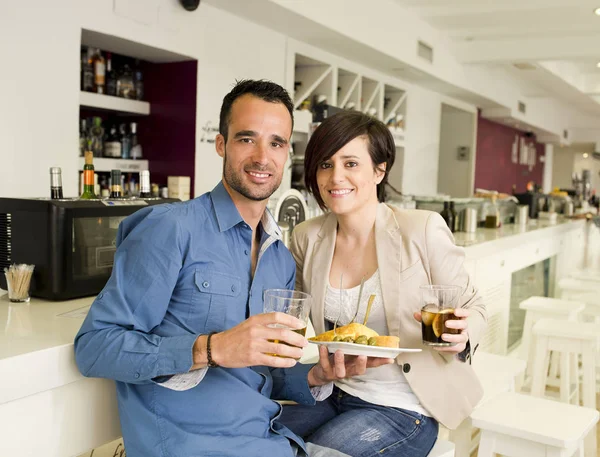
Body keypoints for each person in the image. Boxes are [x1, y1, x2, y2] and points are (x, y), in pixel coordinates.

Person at [74, 80, 391, 457]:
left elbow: (261, 373)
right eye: (246, 139)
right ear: (221, 143)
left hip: (267, 439)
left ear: (287, 153)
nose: (262, 156)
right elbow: (94, 348)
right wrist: (212, 348)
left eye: (276, 143)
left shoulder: (281, 259)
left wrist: (314, 375)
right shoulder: (170, 229)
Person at [279, 110, 487, 457]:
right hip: (333, 391)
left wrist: (461, 337)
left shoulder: (421, 229)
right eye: (325, 165)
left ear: (380, 170)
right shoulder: (307, 237)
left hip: (403, 406)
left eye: (351, 164)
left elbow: (474, 306)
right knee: (254, 438)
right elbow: (298, 316)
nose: (335, 177)